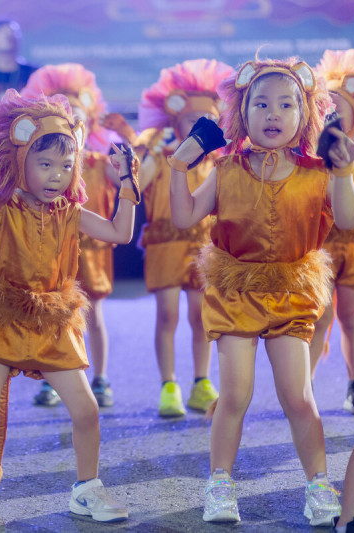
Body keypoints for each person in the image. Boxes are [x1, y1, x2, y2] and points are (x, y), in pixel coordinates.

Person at [0, 89, 138, 523]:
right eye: (45, 164)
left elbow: (121, 233)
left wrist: (125, 183)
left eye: (67, 165)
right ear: (18, 160)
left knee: (87, 411)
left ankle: (87, 489)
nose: (57, 176)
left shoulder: (71, 210)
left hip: (53, 321)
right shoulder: (0, 204)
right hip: (2, 318)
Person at [167, 56, 341, 525]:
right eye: (260, 104)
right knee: (235, 394)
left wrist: (350, 167)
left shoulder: (318, 171)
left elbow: (349, 217)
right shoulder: (226, 169)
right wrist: (179, 167)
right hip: (236, 293)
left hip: (291, 294)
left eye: (286, 104)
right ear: (242, 113)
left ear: (305, 114)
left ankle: (319, 484)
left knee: (299, 397)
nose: (273, 114)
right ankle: (220, 483)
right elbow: (184, 218)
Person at [135, 59, 233, 417]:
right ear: (174, 123)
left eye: (205, 121)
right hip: (165, 247)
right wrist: (144, 151)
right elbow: (136, 186)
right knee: (167, 314)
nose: (197, 128)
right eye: (190, 121)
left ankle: (201, 382)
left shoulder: (218, 163)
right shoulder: (162, 159)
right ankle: (168, 385)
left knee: (200, 315)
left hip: (203, 247)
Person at [21, 63, 121, 408]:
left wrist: (132, 155)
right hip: (54, 251)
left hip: (91, 249)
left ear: (88, 122)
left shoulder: (96, 160)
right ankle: (52, 376)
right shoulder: (41, 167)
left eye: (76, 115)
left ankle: (101, 376)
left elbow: (130, 182)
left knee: (94, 315)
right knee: (54, 315)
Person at [309, 49, 354, 416]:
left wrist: (351, 164)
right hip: (320, 245)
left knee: (350, 316)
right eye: (325, 104)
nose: (331, 110)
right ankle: (306, 387)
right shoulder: (309, 157)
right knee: (320, 316)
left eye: (339, 104)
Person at [324, 80, 354, 533]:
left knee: (350, 318)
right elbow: (352, 212)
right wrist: (343, 168)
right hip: (321, 250)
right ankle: (350, 518)